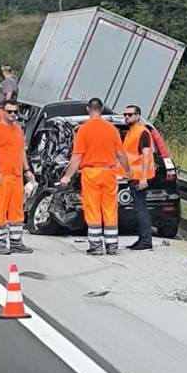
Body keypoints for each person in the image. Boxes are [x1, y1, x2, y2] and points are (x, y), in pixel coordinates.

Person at [59, 98, 131, 256]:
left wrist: (67, 176)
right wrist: (128, 171)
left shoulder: (84, 130)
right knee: (110, 208)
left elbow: (77, 157)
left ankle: (96, 245)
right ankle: (112, 245)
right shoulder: (112, 130)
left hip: (91, 173)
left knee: (93, 208)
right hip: (109, 172)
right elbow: (120, 154)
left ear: (88, 109)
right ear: (102, 109)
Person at [0, 99, 36, 255]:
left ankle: (16, 242)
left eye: (15, 112)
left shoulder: (18, 130)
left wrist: (27, 170)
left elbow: (21, 151)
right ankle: (0, 244)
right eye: (10, 112)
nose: (13, 114)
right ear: (3, 112)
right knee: (0, 210)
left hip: (16, 176)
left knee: (16, 211)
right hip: (2, 176)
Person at [121, 105, 155, 250]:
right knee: (138, 208)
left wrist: (143, 179)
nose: (127, 117)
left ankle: (146, 241)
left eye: (130, 114)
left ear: (138, 116)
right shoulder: (131, 132)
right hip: (133, 176)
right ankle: (142, 239)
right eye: (125, 114)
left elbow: (146, 155)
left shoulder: (142, 132)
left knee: (141, 208)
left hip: (140, 177)